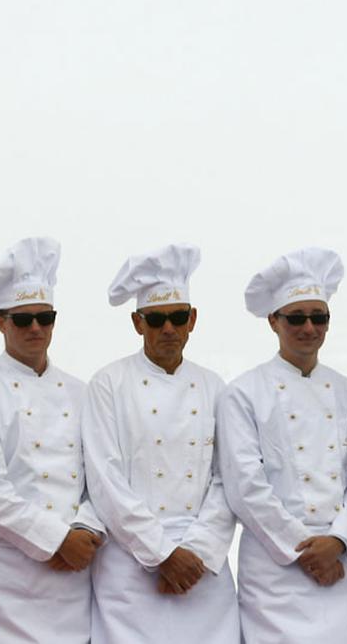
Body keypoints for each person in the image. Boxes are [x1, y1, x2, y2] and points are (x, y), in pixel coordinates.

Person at [0, 237, 104, 643]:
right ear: (0, 322)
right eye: (22, 319)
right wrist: (54, 539)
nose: (35, 327)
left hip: (72, 579)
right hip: (5, 583)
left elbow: (102, 476)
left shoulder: (82, 392)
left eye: (45, 317)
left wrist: (85, 530)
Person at [82, 244, 238, 643]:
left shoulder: (215, 387)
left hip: (203, 565)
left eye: (177, 317)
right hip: (131, 563)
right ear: (138, 323)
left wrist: (196, 552)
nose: (168, 328)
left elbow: (227, 479)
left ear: (193, 320)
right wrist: (163, 554)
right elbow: (105, 479)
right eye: (156, 319)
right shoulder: (108, 383)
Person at [216, 247, 347, 643]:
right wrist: (305, 550)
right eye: (296, 318)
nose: (308, 328)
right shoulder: (243, 393)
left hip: (339, 561)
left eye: (319, 317)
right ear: (273, 321)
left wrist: (338, 540)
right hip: (274, 566)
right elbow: (244, 486)